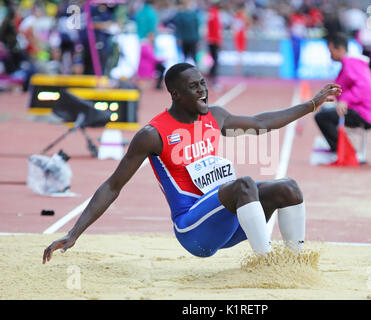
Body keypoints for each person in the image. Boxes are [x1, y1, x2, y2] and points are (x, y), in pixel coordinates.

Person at [42, 63, 341, 263]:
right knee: (244, 184)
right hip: (193, 230)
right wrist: (73, 233)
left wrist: (311, 104)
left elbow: (261, 122)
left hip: (229, 221)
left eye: (203, 84)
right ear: (176, 94)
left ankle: (295, 263)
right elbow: (112, 185)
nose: (203, 91)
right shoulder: (153, 134)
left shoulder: (215, 116)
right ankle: (267, 265)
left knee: (288, 188)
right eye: (194, 87)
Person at [314, 33, 371, 161]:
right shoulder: (349, 64)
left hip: (364, 114)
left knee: (322, 117)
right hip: (360, 110)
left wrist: (345, 101)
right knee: (324, 113)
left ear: (339, 49)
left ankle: (344, 151)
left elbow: (364, 87)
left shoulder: (352, 64)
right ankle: (341, 149)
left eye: (331, 51)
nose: (330, 55)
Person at [206, 0, 222, 89]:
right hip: (214, 41)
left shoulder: (211, 12)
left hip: (211, 40)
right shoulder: (214, 12)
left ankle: (211, 78)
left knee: (214, 60)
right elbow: (215, 29)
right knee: (215, 61)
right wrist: (218, 41)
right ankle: (214, 80)